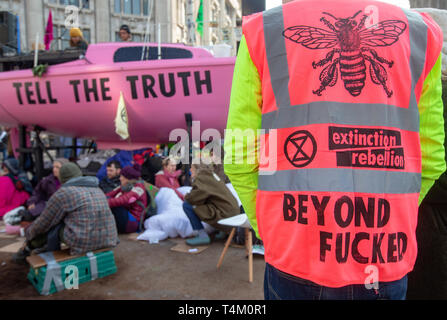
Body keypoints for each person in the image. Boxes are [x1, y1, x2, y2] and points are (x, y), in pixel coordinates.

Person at [224, 0, 445, 300]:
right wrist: (394, 219)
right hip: (384, 255)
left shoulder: (264, 31)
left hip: (295, 255)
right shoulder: (421, 34)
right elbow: (430, 159)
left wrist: (275, 233)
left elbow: (239, 157)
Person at [12, 162, 118, 263]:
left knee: (52, 225)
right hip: (109, 239)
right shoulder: (97, 189)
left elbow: (44, 222)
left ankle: (27, 250)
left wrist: (28, 232)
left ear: (62, 178)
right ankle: (40, 247)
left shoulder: (63, 193)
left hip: (84, 242)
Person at [183, 163, 240, 246]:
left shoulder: (201, 177)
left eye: (191, 168)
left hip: (225, 214)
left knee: (187, 205)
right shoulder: (210, 175)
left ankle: (202, 236)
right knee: (210, 202)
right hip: (232, 212)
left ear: (196, 168)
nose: (190, 170)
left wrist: (187, 196)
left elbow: (193, 198)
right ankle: (224, 231)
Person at [106, 163, 147, 234]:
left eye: (122, 176)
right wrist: (99, 199)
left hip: (133, 223)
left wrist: (103, 203)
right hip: (126, 218)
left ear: (128, 178)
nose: (120, 178)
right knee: (108, 199)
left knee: (116, 206)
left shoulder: (139, 189)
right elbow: (110, 194)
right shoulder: (124, 186)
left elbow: (123, 200)